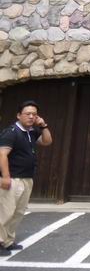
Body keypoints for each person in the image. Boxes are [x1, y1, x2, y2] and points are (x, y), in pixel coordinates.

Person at [0, 100, 52, 256]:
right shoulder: (11, 132)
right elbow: (2, 154)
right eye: (27, 114)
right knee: (5, 212)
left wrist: (43, 126)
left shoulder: (31, 132)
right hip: (12, 179)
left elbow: (47, 141)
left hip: (26, 178)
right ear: (18, 115)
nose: (31, 117)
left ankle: (8, 241)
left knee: (18, 212)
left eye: (34, 114)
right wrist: (6, 177)